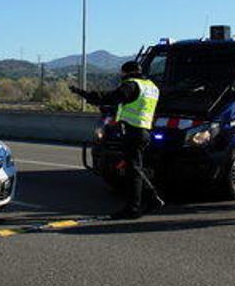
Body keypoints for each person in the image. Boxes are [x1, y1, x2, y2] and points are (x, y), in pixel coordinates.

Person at [70, 61, 165, 219]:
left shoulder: (131, 85)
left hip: (133, 131)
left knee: (132, 171)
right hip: (144, 130)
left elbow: (109, 97)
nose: (121, 77)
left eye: (122, 73)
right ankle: (152, 199)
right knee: (136, 168)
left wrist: (83, 93)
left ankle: (134, 208)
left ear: (126, 72)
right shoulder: (151, 87)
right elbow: (132, 104)